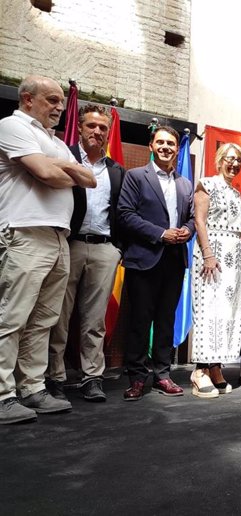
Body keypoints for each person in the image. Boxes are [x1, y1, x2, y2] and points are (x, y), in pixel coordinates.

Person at [0, 75, 96, 424]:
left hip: (58, 237)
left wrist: (63, 167)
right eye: (52, 100)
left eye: (61, 102)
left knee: (43, 321)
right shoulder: (11, 126)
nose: (59, 108)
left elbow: (91, 179)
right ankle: (2, 394)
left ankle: (32, 388)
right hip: (25, 231)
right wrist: (67, 169)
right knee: (12, 318)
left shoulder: (55, 141)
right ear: (27, 99)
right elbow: (44, 173)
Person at [46, 104, 126, 403]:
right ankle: (54, 377)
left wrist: (118, 249)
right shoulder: (63, 157)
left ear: (108, 132)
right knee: (58, 315)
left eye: (103, 127)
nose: (97, 131)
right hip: (70, 244)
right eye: (91, 126)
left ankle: (92, 377)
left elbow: (121, 212)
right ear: (79, 127)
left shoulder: (117, 170)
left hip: (105, 249)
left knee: (95, 321)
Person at [117, 126, 195, 401]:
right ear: (151, 145)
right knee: (139, 321)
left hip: (174, 261)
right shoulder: (136, 177)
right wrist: (161, 234)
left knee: (166, 321)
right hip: (144, 258)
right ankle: (136, 378)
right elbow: (125, 214)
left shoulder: (185, 184)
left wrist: (188, 229)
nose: (166, 147)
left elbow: (192, 218)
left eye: (171, 143)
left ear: (177, 148)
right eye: (160, 142)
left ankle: (162, 374)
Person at [187, 143, 241, 398]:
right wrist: (208, 254)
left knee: (226, 313)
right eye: (230, 159)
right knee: (208, 309)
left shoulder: (236, 193)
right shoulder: (206, 184)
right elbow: (199, 220)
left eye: (239, 161)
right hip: (212, 253)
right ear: (220, 159)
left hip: (234, 256)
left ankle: (215, 367)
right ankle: (199, 370)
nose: (234, 164)